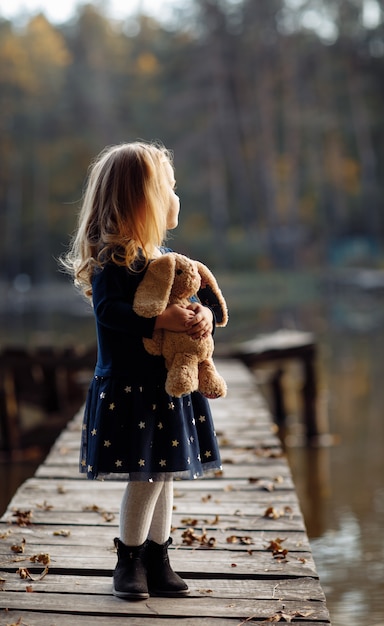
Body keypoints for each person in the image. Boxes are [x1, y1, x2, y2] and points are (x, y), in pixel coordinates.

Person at [61, 140, 224, 600]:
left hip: (166, 390)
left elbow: (201, 297)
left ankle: (158, 555)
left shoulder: (159, 262)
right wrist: (161, 320)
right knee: (147, 476)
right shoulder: (115, 262)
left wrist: (204, 315)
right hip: (132, 389)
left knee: (165, 472)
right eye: (170, 189)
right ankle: (128, 557)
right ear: (141, 200)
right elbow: (112, 312)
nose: (177, 198)